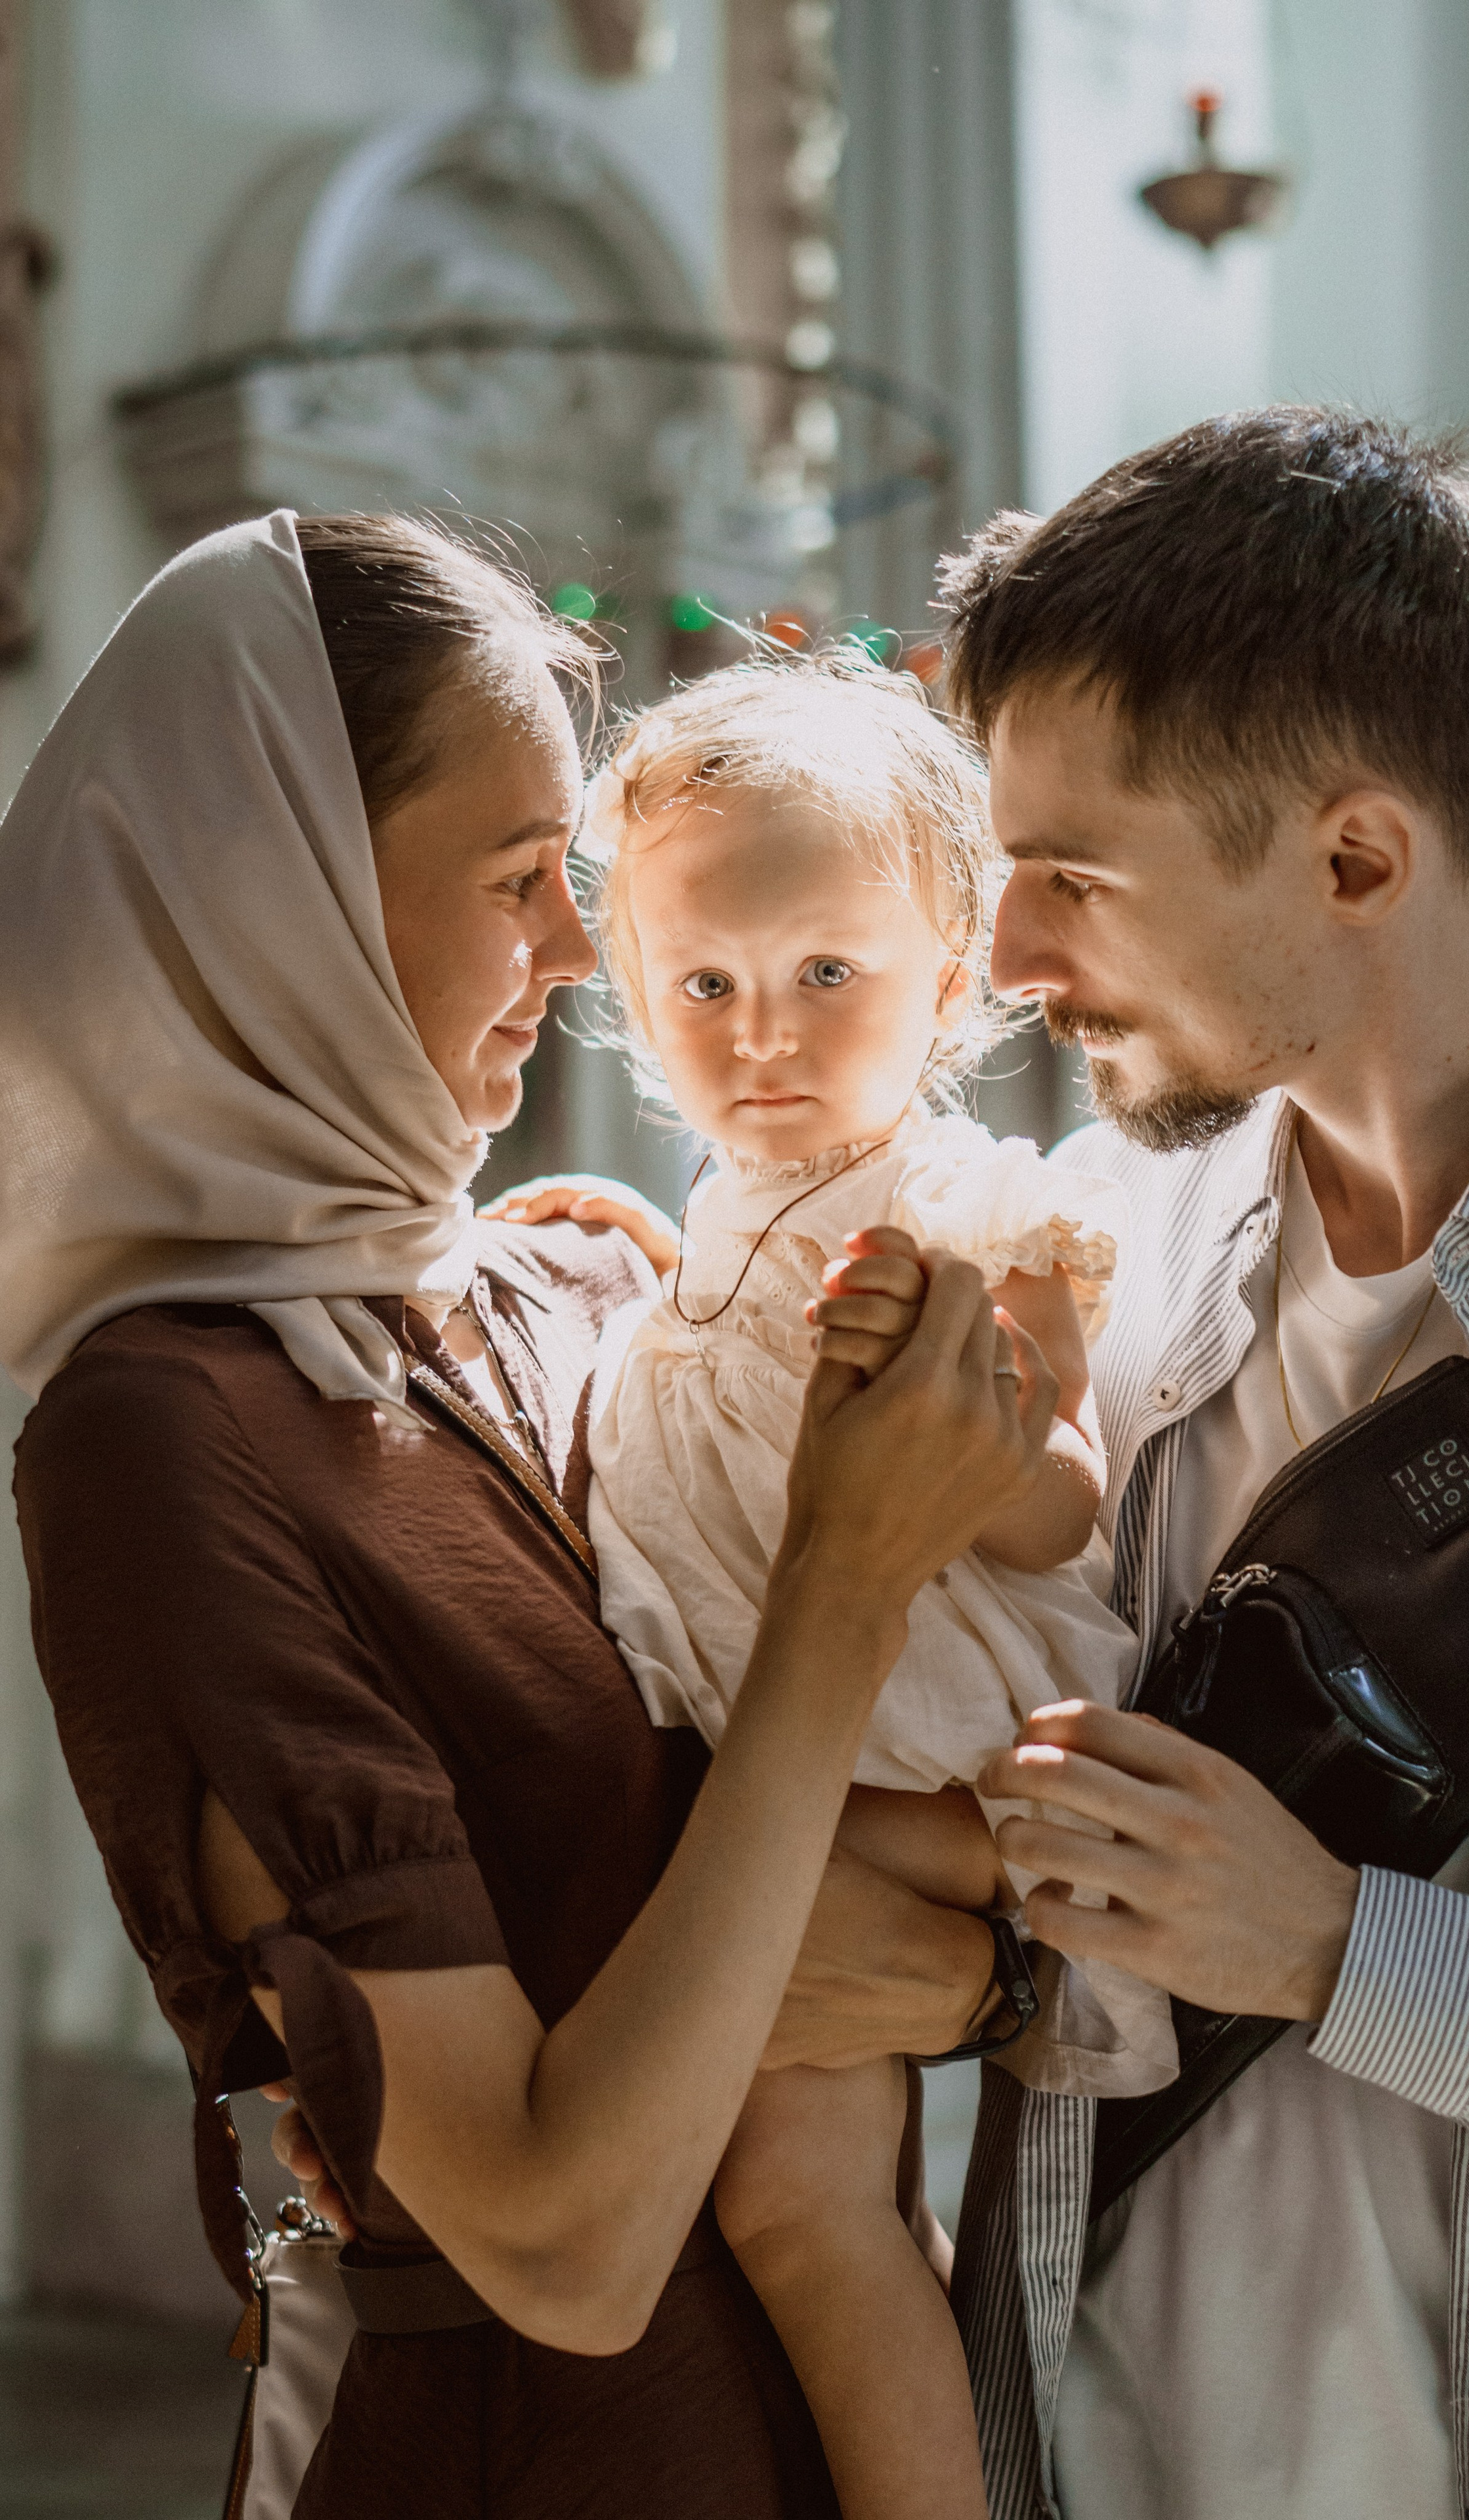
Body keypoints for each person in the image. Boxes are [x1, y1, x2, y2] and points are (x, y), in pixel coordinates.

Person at [1, 509, 1056, 2519]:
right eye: (516, 882)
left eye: (571, 881)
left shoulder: (572, 1293)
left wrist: (967, 1977)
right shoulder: (164, 1434)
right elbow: (567, 2241)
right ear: (277, 895)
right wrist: (849, 1571)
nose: (584, 957)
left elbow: (874, 1944)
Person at [853, 407, 1469, 2520]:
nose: (1011, 963)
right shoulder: (1095, 1250)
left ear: (1355, 859)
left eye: (1075, 878)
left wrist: (1335, 1951)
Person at [524, 657, 1170, 2520]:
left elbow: (1058, 1515)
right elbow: (703, 1390)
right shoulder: (713, 1224)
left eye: (829, 972)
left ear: (951, 972)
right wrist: (623, 1267)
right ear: (636, 1000)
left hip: (932, 1765)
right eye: (705, 985)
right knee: (788, 2203)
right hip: (799, 1777)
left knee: (802, 2211)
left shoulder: (974, 1215)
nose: (763, 1031)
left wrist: (951, 1369)